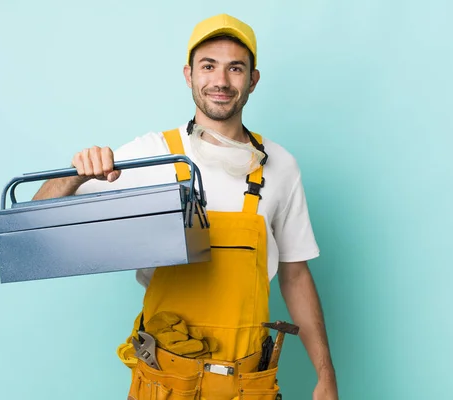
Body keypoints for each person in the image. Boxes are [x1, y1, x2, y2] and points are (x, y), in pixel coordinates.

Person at [33, 13, 338, 400]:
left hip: (247, 383)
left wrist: (325, 375)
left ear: (253, 80)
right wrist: (75, 174)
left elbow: (295, 276)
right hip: (165, 381)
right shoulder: (150, 155)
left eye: (235, 69)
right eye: (208, 66)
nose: (221, 81)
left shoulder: (279, 165)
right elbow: (38, 226)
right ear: (189, 74)